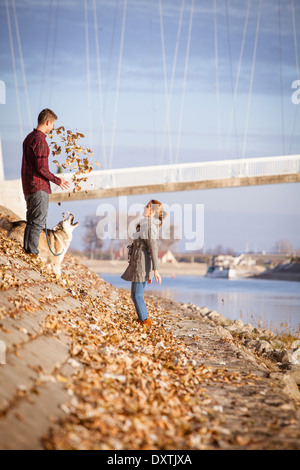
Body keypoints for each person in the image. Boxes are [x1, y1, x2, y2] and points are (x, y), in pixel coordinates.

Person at [21, 108, 69, 256]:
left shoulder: (29, 137)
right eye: (53, 124)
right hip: (38, 187)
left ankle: (28, 251)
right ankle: (32, 253)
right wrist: (58, 180)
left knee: (31, 221)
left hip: (28, 186)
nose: (53, 127)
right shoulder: (41, 141)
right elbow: (42, 168)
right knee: (37, 222)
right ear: (48, 122)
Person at [121, 199, 167, 327]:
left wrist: (155, 270)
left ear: (152, 212)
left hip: (141, 264)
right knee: (135, 295)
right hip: (140, 263)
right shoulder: (146, 224)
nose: (144, 207)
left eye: (146, 207)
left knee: (137, 295)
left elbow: (153, 248)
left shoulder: (149, 226)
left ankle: (145, 322)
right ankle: (143, 319)